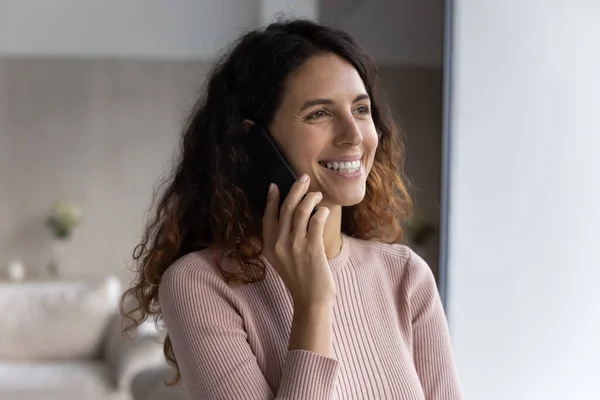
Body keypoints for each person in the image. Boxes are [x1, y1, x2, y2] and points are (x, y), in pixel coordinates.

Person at [121, 18, 463, 400]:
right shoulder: (198, 285)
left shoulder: (405, 276)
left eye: (361, 109)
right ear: (252, 143)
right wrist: (313, 302)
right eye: (320, 113)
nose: (354, 135)